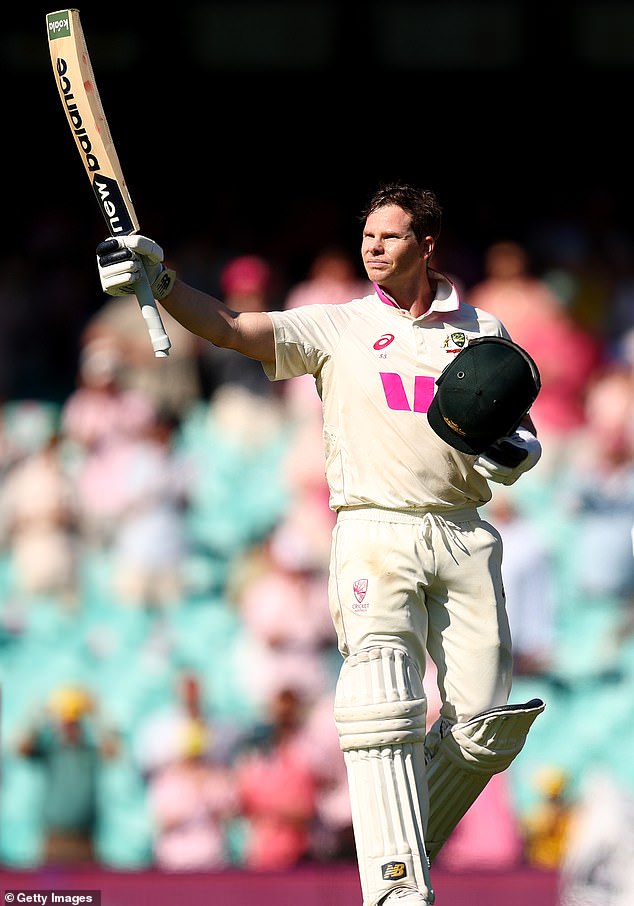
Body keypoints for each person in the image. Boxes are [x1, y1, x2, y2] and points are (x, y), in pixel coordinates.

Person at [96, 181, 545, 906]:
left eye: (390, 237)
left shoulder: (484, 327)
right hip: (375, 528)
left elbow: (517, 433)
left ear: (427, 245)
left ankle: (403, 856)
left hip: (464, 532)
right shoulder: (338, 326)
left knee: (486, 729)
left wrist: (513, 452)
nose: (373, 247)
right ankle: (395, 890)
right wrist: (163, 281)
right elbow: (231, 328)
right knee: (382, 698)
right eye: (367, 235)